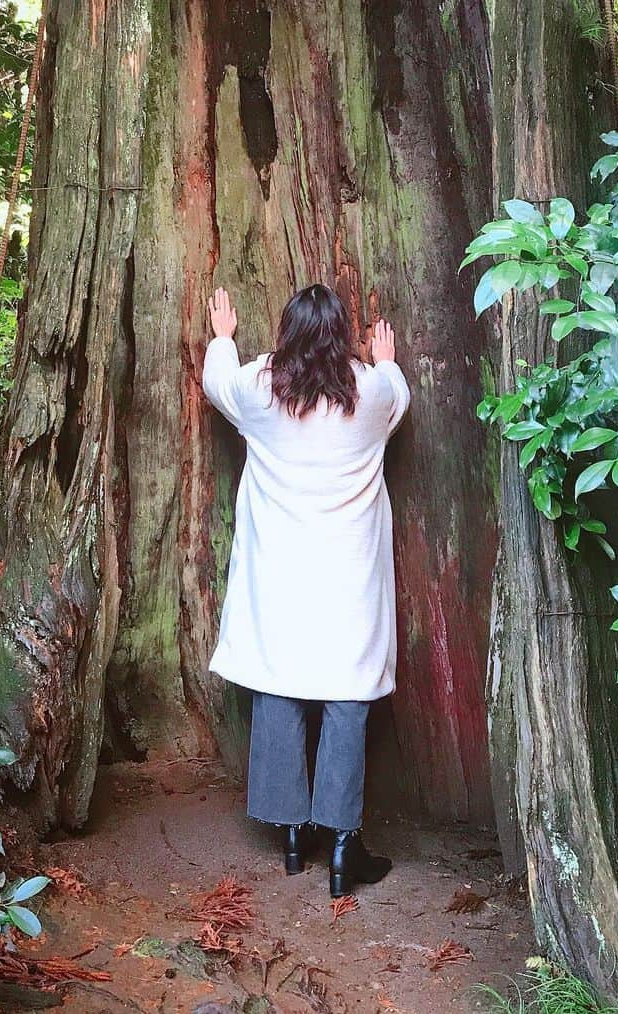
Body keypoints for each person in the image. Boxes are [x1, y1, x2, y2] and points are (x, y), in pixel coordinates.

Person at [202, 282, 410, 897]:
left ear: (288, 332)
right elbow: (398, 395)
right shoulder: (369, 390)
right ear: (345, 333)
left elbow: (220, 384)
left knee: (280, 678)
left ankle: (292, 832)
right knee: (349, 692)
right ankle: (345, 846)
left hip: (282, 571)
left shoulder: (262, 387)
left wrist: (221, 339)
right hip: (349, 571)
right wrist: (387, 359)